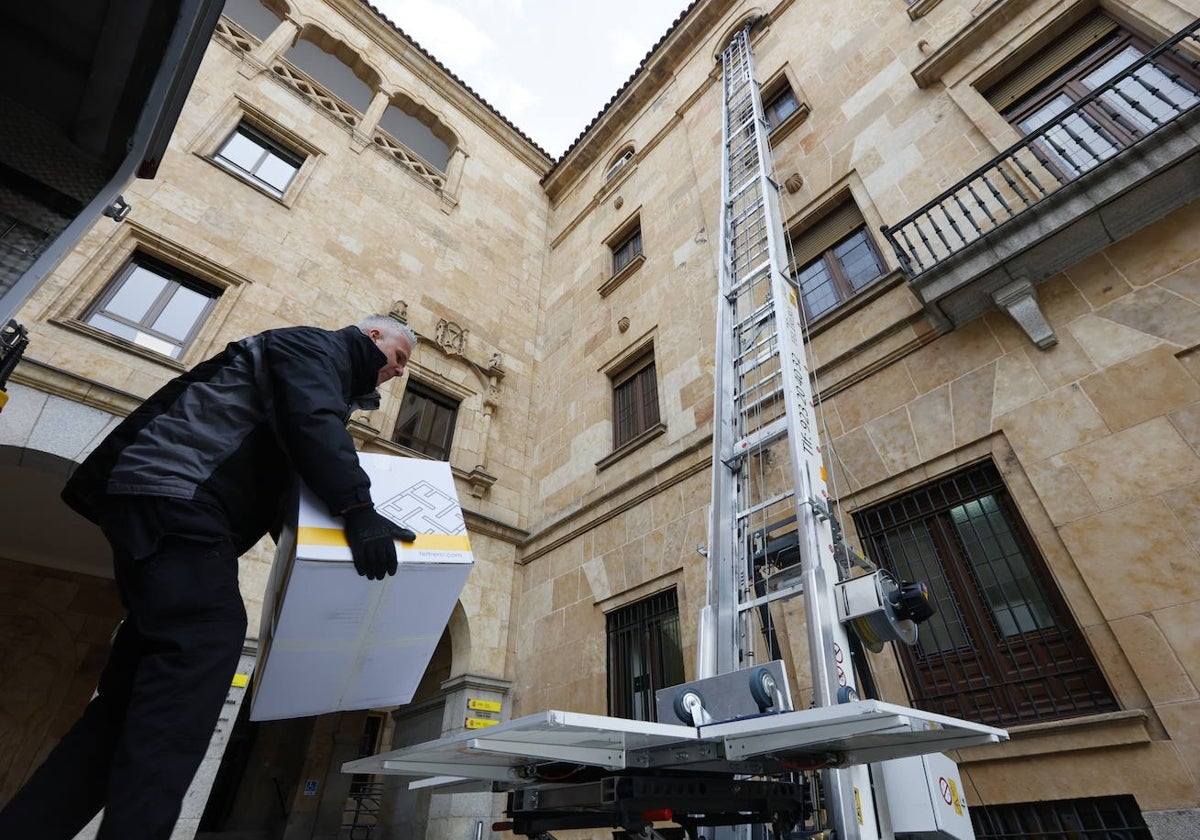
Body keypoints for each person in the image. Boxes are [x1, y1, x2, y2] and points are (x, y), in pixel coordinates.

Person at [0, 314, 419, 840]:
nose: (398, 373)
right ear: (373, 336)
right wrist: (359, 508)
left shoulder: (322, 378)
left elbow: (289, 474)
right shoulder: (313, 350)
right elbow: (311, 422)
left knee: (128, 705)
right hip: (176, 492)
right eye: (399, 358)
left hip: (172, 502)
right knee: (206, 639)